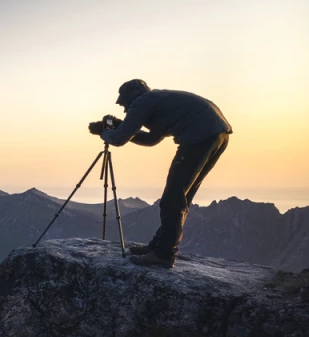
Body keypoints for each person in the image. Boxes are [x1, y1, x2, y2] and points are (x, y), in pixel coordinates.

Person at [95, 79, 232, 268]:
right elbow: (152, 139)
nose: (124, 109)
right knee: (181, 196)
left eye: (123, 103)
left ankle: (164, 254)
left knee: (173, 198)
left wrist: (104, 133)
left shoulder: (142, 102)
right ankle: (158, 246)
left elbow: (118, 140)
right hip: (218, 135)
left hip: (199, 138)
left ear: (130, 97)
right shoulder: (157, 100)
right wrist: (121, 126)